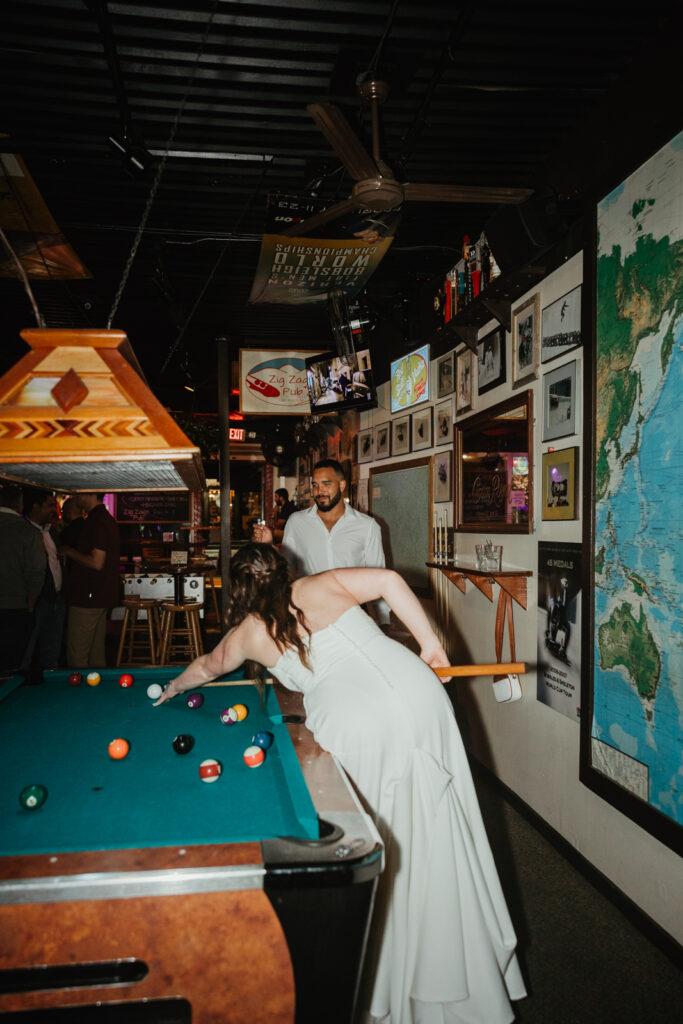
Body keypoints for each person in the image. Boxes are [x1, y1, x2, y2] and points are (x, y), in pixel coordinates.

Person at [154, 544, 526, 1024]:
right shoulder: (321, 582)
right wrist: (430, 645)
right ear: (284, 569)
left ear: (239, 589)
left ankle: (401, 976)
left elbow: (206, 667)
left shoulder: (246, 633)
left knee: (388, 839)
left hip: (356, 719)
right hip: (420, 691)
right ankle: (457, 964)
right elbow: (390, 579)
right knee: (438, 820)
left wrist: (173, 688)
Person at [256, 458, 389, 624]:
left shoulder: (367, 526)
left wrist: (384, 623)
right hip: (308, 615)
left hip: (352, 615)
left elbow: (379, 577)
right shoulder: (297, 522)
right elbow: (285, 571)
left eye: (326, 484)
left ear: (341, 485)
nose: (319, 491)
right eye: (315, 485)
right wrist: (267, 546)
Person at [61, 493, 120, 667]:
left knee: (78, 655)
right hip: (98, 594)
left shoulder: (97, 521)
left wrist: (69, 551)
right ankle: (96, 684)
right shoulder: (103, 518)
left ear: (91, 493)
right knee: (96, 654)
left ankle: (78, 685)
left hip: (88, 595)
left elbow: (96, 562)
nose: (76, 496)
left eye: (79, 492)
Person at [0, 482, 46, 675]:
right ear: (20, 504)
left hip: (15, 605)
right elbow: (36, 572)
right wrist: (31, 605)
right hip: (16, 607)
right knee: (11, 663)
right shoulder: (28, 531)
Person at [21, 488, 65, 671]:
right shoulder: (23, 531)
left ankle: (50, 679)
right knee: (26, 650)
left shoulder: (51, 531)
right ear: (35, 507)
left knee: (52, 651)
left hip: (56, 598)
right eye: (50, 506)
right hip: (35, 600)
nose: (54, 510)